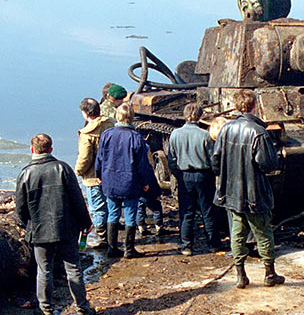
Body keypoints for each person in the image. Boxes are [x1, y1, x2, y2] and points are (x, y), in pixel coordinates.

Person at [15, 133, 97, 315]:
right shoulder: (63, 168)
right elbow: (78, 200)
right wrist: (86, 223)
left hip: (40, 231)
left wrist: (29, 225)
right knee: (74, 269)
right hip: (67, 229)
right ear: (51, 149)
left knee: (44, 271)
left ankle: (46, 311)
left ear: (32, 150)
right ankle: (83, 310)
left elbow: (20, 208)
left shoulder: (25, 174)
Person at [212, 90, 285, 288]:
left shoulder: (226, 129)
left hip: (232, 192)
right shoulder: (258, 132)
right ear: (254, 106)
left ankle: (240, 275)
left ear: (236, 106)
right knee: (263, 233)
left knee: (237, 233)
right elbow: (268, 164)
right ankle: (269, 273)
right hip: (255, 192)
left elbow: (215, 160)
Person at [96, 103, 155, 259]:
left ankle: (112, 248)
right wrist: (145, 182)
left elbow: (100, 158)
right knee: (130, 214)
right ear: (132, 118)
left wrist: (98, 175)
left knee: (113, 213)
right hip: (130, 181)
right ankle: (129, 250)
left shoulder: (106, 134)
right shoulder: (136, 138)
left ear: (117, 116)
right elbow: (143, 165)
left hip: (110, 180)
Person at [167, 103, 220, 255]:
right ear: (200, 116)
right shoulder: (205, 135)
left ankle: (186, 245)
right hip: (203, 175)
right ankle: (214, 244)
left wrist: (178, 174)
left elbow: (172, 159)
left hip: (184, 175)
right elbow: (212, 158)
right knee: (207, 210)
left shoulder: (175, 134)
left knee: (186, 211)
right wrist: (215, 173)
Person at [75, 98, 115, 248]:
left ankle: (102, 238)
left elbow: (85, 158)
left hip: (93, 176)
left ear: (86, 114)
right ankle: (112, 235)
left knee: (97, 207)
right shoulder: (111, 123)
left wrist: (78, 171)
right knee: (111, 204)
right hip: (111, 173)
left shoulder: (88, 133)